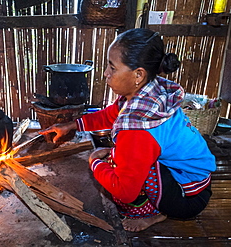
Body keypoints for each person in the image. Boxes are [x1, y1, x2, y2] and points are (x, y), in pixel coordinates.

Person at [39, 28, 216, 232]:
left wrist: (94, 162)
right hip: (192, 177)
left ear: (138, 75)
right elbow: (108, 115)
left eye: (112, 68)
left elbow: (126, 192)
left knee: (121, 175)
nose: (105, 73)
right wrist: (71, 125)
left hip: (188, 198)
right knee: (127, 158)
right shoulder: (150, 93)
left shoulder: (138, 129)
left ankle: (157, 214)